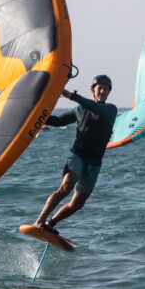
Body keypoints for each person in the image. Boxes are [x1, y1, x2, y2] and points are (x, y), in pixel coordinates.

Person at [33, 75, 118, 233]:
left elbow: (96, 108)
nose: (103, 91)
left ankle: (50, 224)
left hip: (95, 161)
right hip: (78, 155)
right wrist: (35, 115)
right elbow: (58, 121)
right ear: (93, 90)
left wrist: (72, 96)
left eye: (106, 89)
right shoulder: (80, 109)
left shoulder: (111, 110)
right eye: (100, 88)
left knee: (78, 204)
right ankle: (39, 221)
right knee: (66, 186)